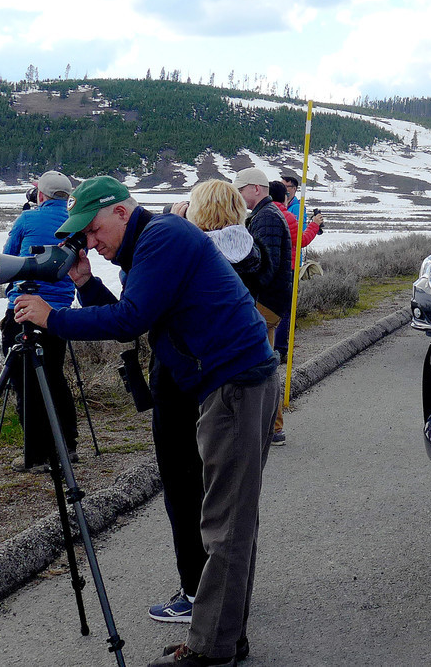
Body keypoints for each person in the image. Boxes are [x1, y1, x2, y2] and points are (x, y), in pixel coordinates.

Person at [14, 175, 279, 667]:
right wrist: (85, 284)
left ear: (119, 211)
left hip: (236, 384)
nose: (92, 242)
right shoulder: (151, 243)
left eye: (94, 231)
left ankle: (211, 651)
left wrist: (52, 319)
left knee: (226, 522)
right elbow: (136, 315)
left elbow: (128, 322)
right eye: (86, 238)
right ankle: (225, 635)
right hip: (230, 382)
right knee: (230, 517)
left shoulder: (162, 239)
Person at [148, 181, 268, 627]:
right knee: (227, 498)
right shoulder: (247, 250)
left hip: (188, 383)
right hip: (230, 378)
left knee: (186, 490)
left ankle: (197, 590)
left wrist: (175, 222)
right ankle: (226, 591)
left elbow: (141, 300)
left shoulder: (194, 253)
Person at [0, 170, 79, 472]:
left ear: (41, 195)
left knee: (25, 381)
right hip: (59, 314)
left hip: (22, 310)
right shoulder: (74, 222)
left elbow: (7, 261)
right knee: (55, 378)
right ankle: (67, 445)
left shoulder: (27, 220)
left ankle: (37, 455)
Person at [234, 167, 292, 446]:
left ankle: (270, 427)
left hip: (265, 302)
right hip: (269, 301)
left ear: (255, 188)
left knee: (261, 365)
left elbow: (265, 267)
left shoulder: (266, 217)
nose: (239, 195)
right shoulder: (267, 214)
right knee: (265, 363)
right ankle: (272, 427)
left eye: (241, 189)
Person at [268, 180, 321, 365]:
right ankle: (280, 350)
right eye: (285, 188)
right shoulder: (287, 215)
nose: (287, 191)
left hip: (266, 270)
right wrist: (315, 225)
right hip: (286, 268)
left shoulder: (261, 213)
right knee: (285, 311)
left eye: (289, 186)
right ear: (283, 195)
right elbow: (301, 240)